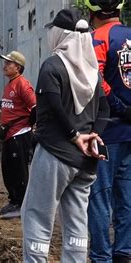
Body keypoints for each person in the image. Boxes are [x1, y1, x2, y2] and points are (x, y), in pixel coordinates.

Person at [21, 8, 110, 262]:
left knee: (37, 216)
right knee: (76, 225)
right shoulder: (92, 71)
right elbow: (103, 109)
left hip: (55, 155)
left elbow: (52, 106)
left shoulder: (52, 65)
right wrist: (92, 136)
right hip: (85, 161)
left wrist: (73, 136)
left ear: (61, 34)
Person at [85, 0, 131, 262]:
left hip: (107, 131)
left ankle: (101, 256)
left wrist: (120, 107)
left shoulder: (97, 39)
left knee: (100, 197)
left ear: (92, 13)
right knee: (126, 196)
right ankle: (123, 252)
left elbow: (96, 81)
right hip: (127, 132)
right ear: (119, 10)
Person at [0, 50, 36, 219]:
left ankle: (22, 204)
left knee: (19, 171)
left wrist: (29, 124)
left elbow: (35, 107)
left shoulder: (22, 84)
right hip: (9, 134)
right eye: (5, 62)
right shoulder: (9, 84)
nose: (5, 66)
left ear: (18, 67)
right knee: (8, 169)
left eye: (9, 63)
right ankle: (14, 200)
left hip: (20, 133)